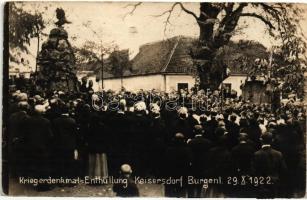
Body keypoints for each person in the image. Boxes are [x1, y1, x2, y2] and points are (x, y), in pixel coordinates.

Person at [24, 105, 54, 191]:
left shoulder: (28, 120)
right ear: (42, 112)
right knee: (43, 165)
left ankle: (35, 181)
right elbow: (50, 136)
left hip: (31, 146)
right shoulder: (46, 121)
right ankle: (43, 185)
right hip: (43, 147)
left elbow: (26, 134)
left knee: (34, 164)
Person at [251, 132, 287, 198]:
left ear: (261, 140)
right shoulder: (278, 154)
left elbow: (253, 171)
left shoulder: (256, 154)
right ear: (272, 140)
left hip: (261, 183)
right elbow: (283, 169)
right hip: (275, 182)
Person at [52, 104, 78, 181]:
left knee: (60, 162)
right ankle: (71, 180)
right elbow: (75, 134)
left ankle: (61, 180)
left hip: (59, 144)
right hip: (70, 144)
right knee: (70, 162)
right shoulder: (72, 121)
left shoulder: (55, 121)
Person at [163, 133, 192, 197]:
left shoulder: (169, 150)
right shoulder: (187, 150)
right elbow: (189, 162)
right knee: (181, 191)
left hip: (171, 173)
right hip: (182, 173)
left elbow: (165, 162)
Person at [187, 125, 213, 197]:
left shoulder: (190, 142)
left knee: (193, 181)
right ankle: (199, 194)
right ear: (202, 131)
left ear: (194, 132)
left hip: (194, 164)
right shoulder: (208, 142)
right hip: (204, 164)